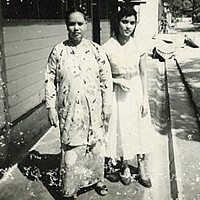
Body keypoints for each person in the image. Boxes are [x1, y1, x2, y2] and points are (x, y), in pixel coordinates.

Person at [44, 7, 112, 198]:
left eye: (80, 24)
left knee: (96, 146)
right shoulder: (58, 51)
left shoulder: (96, 50)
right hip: (70, 110)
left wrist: (107, 104)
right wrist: (50, 108)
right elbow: (49, 80)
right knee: (72, 149)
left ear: (86, 25)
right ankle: (70, 189)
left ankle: (98, 180)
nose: (76, 28)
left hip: (94, 109)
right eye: (72, 24)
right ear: (67, 26)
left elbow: (106, 79)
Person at [102, 6, 154, 188]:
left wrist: (145, 98)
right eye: (125, 21)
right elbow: (104, 76)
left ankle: (141, 167)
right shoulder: (107, 47)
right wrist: (116, 81)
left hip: (136, 90)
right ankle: (124, 165)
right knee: (122, 128)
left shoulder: (138, 45)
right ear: (118, 22)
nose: (128, 26)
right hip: (118, 94)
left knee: (140, 128)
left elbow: (144, 73)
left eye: (132, 22)